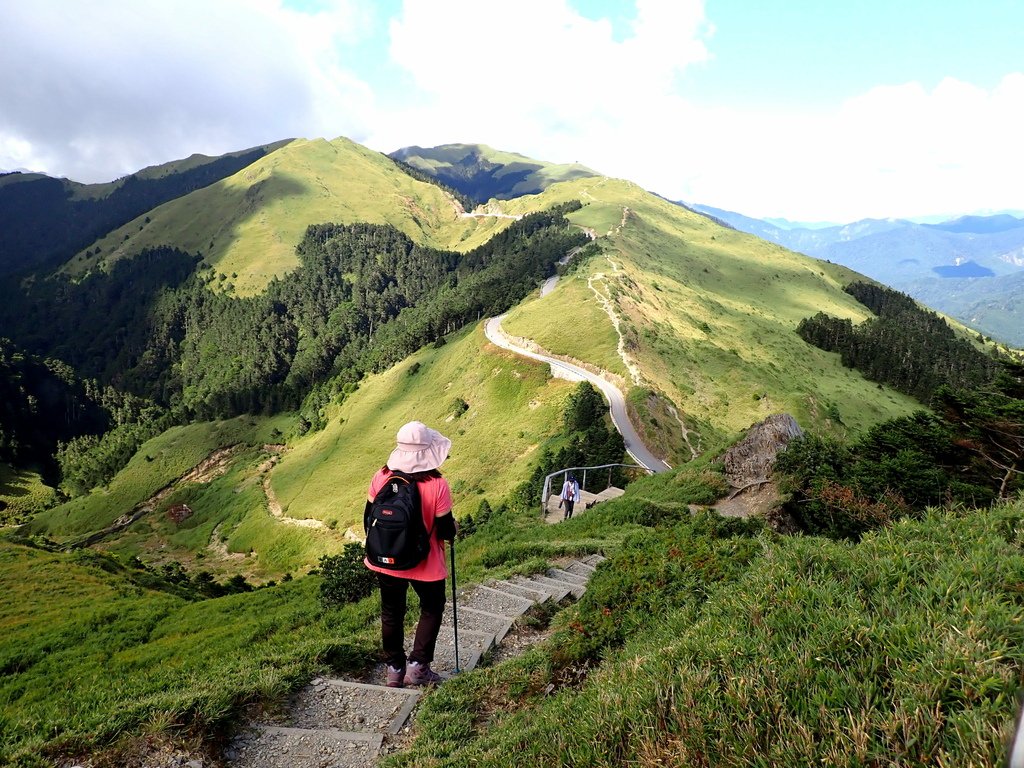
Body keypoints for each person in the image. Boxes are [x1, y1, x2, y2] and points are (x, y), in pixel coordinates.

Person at [364, 421, 457, 687]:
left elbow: (368, 517)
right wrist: (455, 528)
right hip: (425, 562)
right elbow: (445, 530)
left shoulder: (382, 476)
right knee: (431, 608)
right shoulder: (437, 483)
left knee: (392, 612)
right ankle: (417, 667)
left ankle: (394, 670)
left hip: (385, 560)